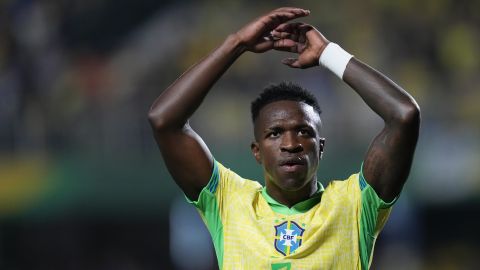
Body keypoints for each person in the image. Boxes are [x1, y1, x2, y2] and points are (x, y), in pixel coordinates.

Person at [148, 7, 420, 270]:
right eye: (274, 134)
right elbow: (164, 120)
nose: (291, 145)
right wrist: (236, 43)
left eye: (305, 132)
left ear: (321, 147)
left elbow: (404, 115)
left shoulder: (355, 205)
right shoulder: (229, 202)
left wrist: (328, 54)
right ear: (257, 151)